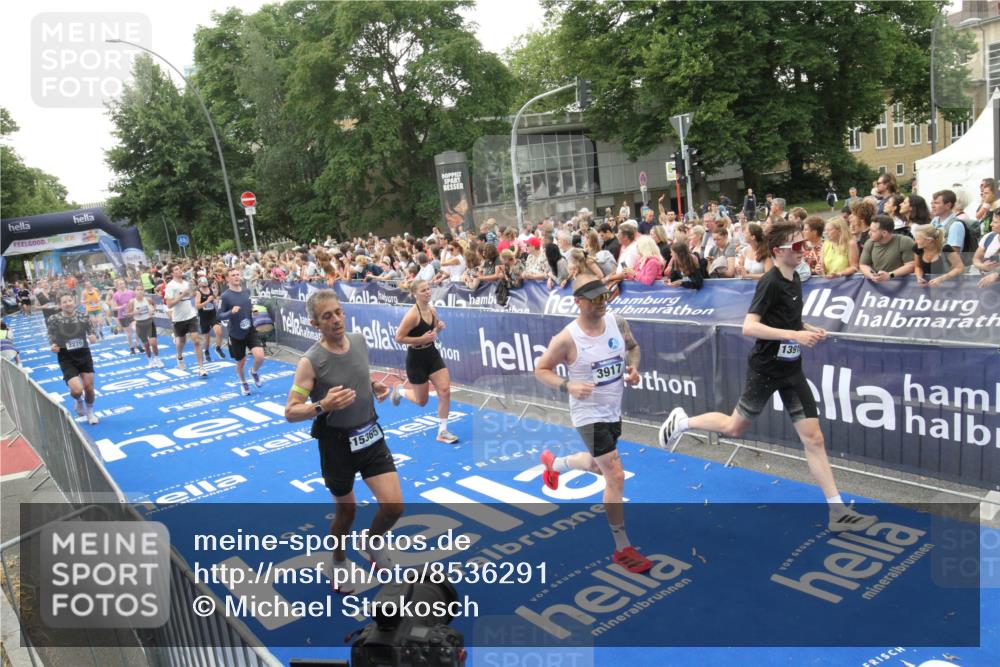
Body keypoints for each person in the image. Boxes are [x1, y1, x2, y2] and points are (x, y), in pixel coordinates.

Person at [659, 222, 877, 533]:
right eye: (796, 246)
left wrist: (806, 328)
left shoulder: (795, 279)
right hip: (765, 370)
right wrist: (794, 335)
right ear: (778, 251)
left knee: (814, 438)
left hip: (791, 370)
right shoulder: (770, 282)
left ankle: (837, 511)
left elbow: (789, 319)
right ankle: (683, 422)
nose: (803, 250)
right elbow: (750, 327)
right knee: (735, 427)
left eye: (803, 244)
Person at [283, 289, 400, 592]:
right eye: (327, 316)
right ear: (315, 324)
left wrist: (372, 386)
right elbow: (291, 411)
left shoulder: (358, 340)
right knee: (346, 513)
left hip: (370, 435)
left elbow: (356, 373)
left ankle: (372, 542)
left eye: (338, 312)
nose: (336, 320)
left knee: (394, 507)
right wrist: (323, 405)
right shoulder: (310, 361)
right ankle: (337, 561)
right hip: (337, 445)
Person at [535, 275, 653, 573]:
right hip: (588, 415)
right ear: (578, 302)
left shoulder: (617, 322)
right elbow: (541, 369)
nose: (603, 303)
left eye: (605, 296)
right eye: (596, 299)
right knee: (616, 475)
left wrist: (633, 367)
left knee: (599, 466)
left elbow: (633, 347)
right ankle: (622, 547)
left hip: (612, 410)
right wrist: (568, 386)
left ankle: (555, 465)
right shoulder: (567, 338)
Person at [390, 280, 459, 443]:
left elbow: (431, 334)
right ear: (415, 294)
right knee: (422, 401)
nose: (428, 292)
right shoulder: (412, 315)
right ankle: (400, 391)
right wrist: (420, 339)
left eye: (428, 289)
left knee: (445, 390)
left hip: (432, 355)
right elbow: (398, 338)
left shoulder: (433, 310)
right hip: (416, 359)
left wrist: (438, 329)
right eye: (423, 290)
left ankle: (442, 431)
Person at [46, 292, 100, 425]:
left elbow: (91, 331)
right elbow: (51, 335)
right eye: (64, 302)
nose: (68, 304)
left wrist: (93, 336)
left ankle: (90, 412)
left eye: (69, 301)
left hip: (84, 354)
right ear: (60, 305)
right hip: (66, 357)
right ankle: (79, 400)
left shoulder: (83, 316)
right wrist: (53, 345)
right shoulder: (54, 319)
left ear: (73, 301)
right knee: (76, 390)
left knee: (89, 388)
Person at [219, 267, 265, 396]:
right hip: (235, 334)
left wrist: (253, 311)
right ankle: (244, 382)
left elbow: (248, 306)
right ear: (227, 279)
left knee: (260, 356)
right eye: (233, 275)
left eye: (237, 274)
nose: (236, 277)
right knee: (241, 361)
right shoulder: (225, 296)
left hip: (250, 330)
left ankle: (254, 372)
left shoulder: (246, 291)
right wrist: (230, 312)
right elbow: (219, 315)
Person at [164, 264, 207, 375]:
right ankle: (179, 357)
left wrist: (193, 291)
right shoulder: (170, 286)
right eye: (176, 269)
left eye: (179, 268)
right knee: (181, 341)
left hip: (191, 315)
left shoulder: (186, 283)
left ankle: (201, 368)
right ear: (172, 273)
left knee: (196, 340)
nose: (179, 270)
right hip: (178, 318)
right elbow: (169, 304)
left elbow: (193, 295)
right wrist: (182, 295)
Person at [859, 215, 915, 282]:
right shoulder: (870, 243)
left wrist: (890, 275)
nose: (869, 233)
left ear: (884, 233)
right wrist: (872, 275)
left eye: (873, 231)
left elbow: (911, 265)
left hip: (902, 284)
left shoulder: (904, 241)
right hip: (877, 285)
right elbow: (863, 264)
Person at [128, 289, 162, 368]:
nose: (139, 291)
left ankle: (157, 359)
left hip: (149, 323)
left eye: (141, 290)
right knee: (146, 345)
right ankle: (150, 361)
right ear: (135, 292)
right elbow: (128, 314)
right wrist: (135, 313)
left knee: (153, 343)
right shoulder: (132, 302)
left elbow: (154, 304)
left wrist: (153, 310)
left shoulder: (148, 299)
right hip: (140, 325)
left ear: (143, 292)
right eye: (138, 290)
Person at [195, 277, 225, 361]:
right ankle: (206, 351)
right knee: (207, 337)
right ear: (199, 283)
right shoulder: (198, 292)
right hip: (204, 316)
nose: (205, 283)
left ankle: (218, 348)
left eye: (206, 281)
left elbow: (214, 297)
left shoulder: (210, 289)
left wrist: (216, 299)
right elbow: (197, 306)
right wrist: (207, 301)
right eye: (203, 282)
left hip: (212, 314)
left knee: (219, 332)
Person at [112, 279, 140, 354]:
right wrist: (122, 307)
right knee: (129, 333)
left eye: (123, 283)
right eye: (120, 284)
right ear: (117, 286)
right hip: (123, 316)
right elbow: (113, 307)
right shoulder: (116, 295)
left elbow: (137, 300)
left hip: (132, 314)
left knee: (137, 328)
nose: (122, 285)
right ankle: (131, 348)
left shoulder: (131, 292)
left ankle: (137, 344)